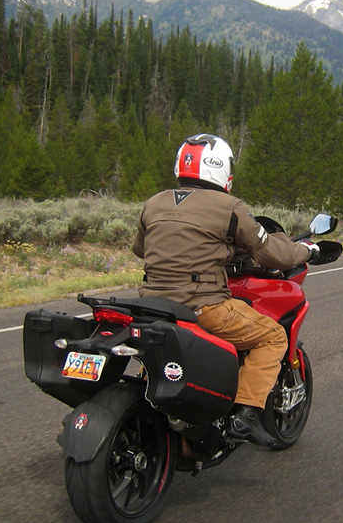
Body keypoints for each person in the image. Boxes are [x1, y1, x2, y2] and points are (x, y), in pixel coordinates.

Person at [132, 133, 320, 447]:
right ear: (221, 169)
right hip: (203, 307)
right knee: (273, 336)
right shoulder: (228, 206)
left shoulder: (154, 202)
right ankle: (245, 414)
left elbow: (141, 248)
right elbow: (274, 254)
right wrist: (306, 251)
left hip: (151, 305)